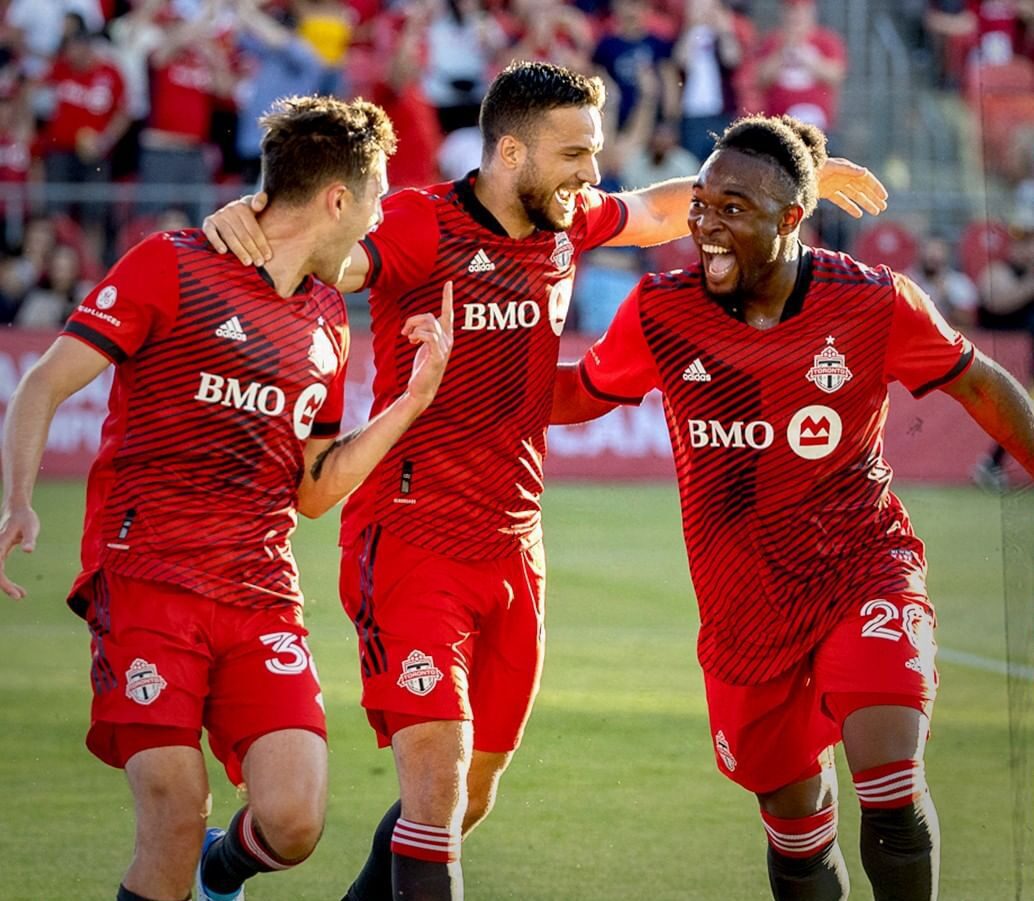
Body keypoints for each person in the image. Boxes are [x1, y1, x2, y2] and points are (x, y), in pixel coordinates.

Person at [202, 60, 888, 901]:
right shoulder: (419, 225)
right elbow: (325, 262)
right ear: (513, 154)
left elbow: (658, 210)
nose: (592, 174)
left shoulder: (567, 223)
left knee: (466, 798)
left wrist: (805, 174)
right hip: (411, 533)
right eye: (576, 154)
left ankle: (226, 863)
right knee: (437, 782)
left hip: (514, 549)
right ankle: (234, 860)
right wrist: (256, 221)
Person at [551, 113, 1034, 901]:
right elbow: (578, 392)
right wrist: (465, 389)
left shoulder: (873, 302)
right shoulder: (661, 313)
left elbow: (978, 379)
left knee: (891, 791)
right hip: (744, 614)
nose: (705, 224)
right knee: (797, 835)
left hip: (862, 569)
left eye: (731, 208)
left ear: (791, 219)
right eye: (701, 204)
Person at [0, 94, 453, 901]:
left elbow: (313, 491)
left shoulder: (325, 316)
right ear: (337, 199)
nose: (380, 219)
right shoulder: (169, 264)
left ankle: (223, 870)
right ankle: (189, 859)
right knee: (172, 816)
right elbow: (41, 383)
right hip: (147, 577)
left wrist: (411, 404)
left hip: (259, 594)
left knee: (294, 819)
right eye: (378, 197)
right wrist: (18, 500)